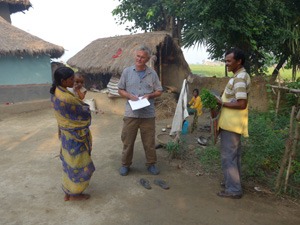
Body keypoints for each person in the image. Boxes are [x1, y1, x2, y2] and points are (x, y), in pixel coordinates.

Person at [50, 67, 95, 201]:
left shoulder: (57, 91)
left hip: (66, 135)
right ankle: (76, 193)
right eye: (71, 79)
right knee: (79, 165)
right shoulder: (66, 98)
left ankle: (68, 190)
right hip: (75, 137)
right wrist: (85, 106)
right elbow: (84, 111)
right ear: (63, 81)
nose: (74, 81)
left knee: (68, 164)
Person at [117, 45, 163, 176]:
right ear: (135, 56)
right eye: (138, 56)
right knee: (127, 140)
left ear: (147, 59)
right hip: (131, 113)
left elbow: (159, 91)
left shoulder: (152, 73)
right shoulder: (127, 72)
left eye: (143, 57)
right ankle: (125, 164)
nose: (139, 59)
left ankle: (151, 164)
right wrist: (129, 96)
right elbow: (120, 89)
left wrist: (149, 95)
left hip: (148, 114)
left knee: (149, 142)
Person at [216, 48, 251, 199]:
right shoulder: (240, 76)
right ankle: (232, 183)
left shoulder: (239, 78)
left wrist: (221, 103)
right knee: (234, 156)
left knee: (228, 157)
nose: (226, 64)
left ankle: (234, 190)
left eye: (229, 61)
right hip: (232, 123)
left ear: (239, 61)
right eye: (225, 61)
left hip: (231, 124)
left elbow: (242, 103)